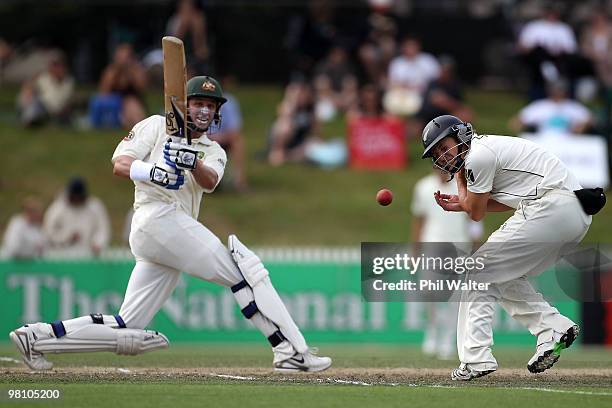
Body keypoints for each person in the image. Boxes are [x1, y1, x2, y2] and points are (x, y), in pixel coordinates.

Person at [10, 75, 332, 373]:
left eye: (210, 106)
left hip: (169, 234)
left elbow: (210, 182)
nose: (204, 111)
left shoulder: (214, 150)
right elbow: (119, 164)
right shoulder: (154, 126)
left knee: (127, 326)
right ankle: (289, 351)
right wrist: (154, 173)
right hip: (155, 216)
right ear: (184, 106)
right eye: (198, 104)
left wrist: (191, 161)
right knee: (244, 275)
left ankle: (36, 337)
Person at [421, 115, 603, 380]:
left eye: (443, 145)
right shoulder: (483, 152)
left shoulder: (477, 157)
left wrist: (462, 191)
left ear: (460, 136)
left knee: (479, 270)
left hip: (551, 206)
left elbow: (476, 213)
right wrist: (465, 201)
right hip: (569, 213)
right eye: (436, 153)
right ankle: (552, 328)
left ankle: (476, 359)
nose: (442, 155)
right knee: (501, 276)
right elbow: (500, 202)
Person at [411, 168, 483, 360]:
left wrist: (476, 246)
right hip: (432, 244)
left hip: (458, 246)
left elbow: (473, 218)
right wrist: (415, 250)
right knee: (429, 292)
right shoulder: (423, 187)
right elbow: (420, 220)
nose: (441, 170)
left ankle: (447, 340)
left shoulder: (462, 188)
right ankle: (432, 331)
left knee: (454, 298)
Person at [43, 177, 111, 257]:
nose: (76, 200)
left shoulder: (95, 207)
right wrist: (66, 237)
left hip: (89, 254)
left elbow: (102, 229)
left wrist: (98, 243)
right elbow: (49, 232)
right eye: (74, 197)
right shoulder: (58, 208)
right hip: (61, 255)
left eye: (78, 197)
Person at [90, 43, 147, 129]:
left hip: (131, 100)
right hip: (115, 101)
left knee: (135, 114)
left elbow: (141, 87)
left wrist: (130, 73)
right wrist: (117, 73)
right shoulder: (111, 70)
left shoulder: (136, 70)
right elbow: (104, 90)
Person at [207, 75, 248, 191]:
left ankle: (239, 180)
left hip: (220, 140)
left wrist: (215, 138)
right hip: (200, 141)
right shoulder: (195, 102)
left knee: (238, 141)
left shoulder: (229, 102)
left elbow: (234, 131)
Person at [510, 79, 592, 135]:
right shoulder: (540, 106)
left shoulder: (573, 106)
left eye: (560, 89)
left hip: (568, 143)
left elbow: (590, 119)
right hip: (544, 142)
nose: (558, 92)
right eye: (556, 89)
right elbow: (516, 122)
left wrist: (581, 127)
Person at [268, 80, 320, 166]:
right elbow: (283, 119)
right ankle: (277, 152)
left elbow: (316, 130)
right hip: (281, 140)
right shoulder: (288, 105)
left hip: (299, 142)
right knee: (285, 126)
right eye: (300, 93)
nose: (303, 96)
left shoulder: (311, 108)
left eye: (305, 93)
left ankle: (286, 156)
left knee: (314, 144)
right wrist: (292, 100)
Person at [17, 51, 74, 127]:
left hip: (58, 111)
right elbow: (28, 87)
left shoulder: (68, 81)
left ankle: (33, 120)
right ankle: (29, 120)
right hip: (43, 108)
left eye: (59, 65)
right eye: (54, 65)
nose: (57, 68)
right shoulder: (43, 78)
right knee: (30, 99)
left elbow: (66, 99)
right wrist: (28, 91)